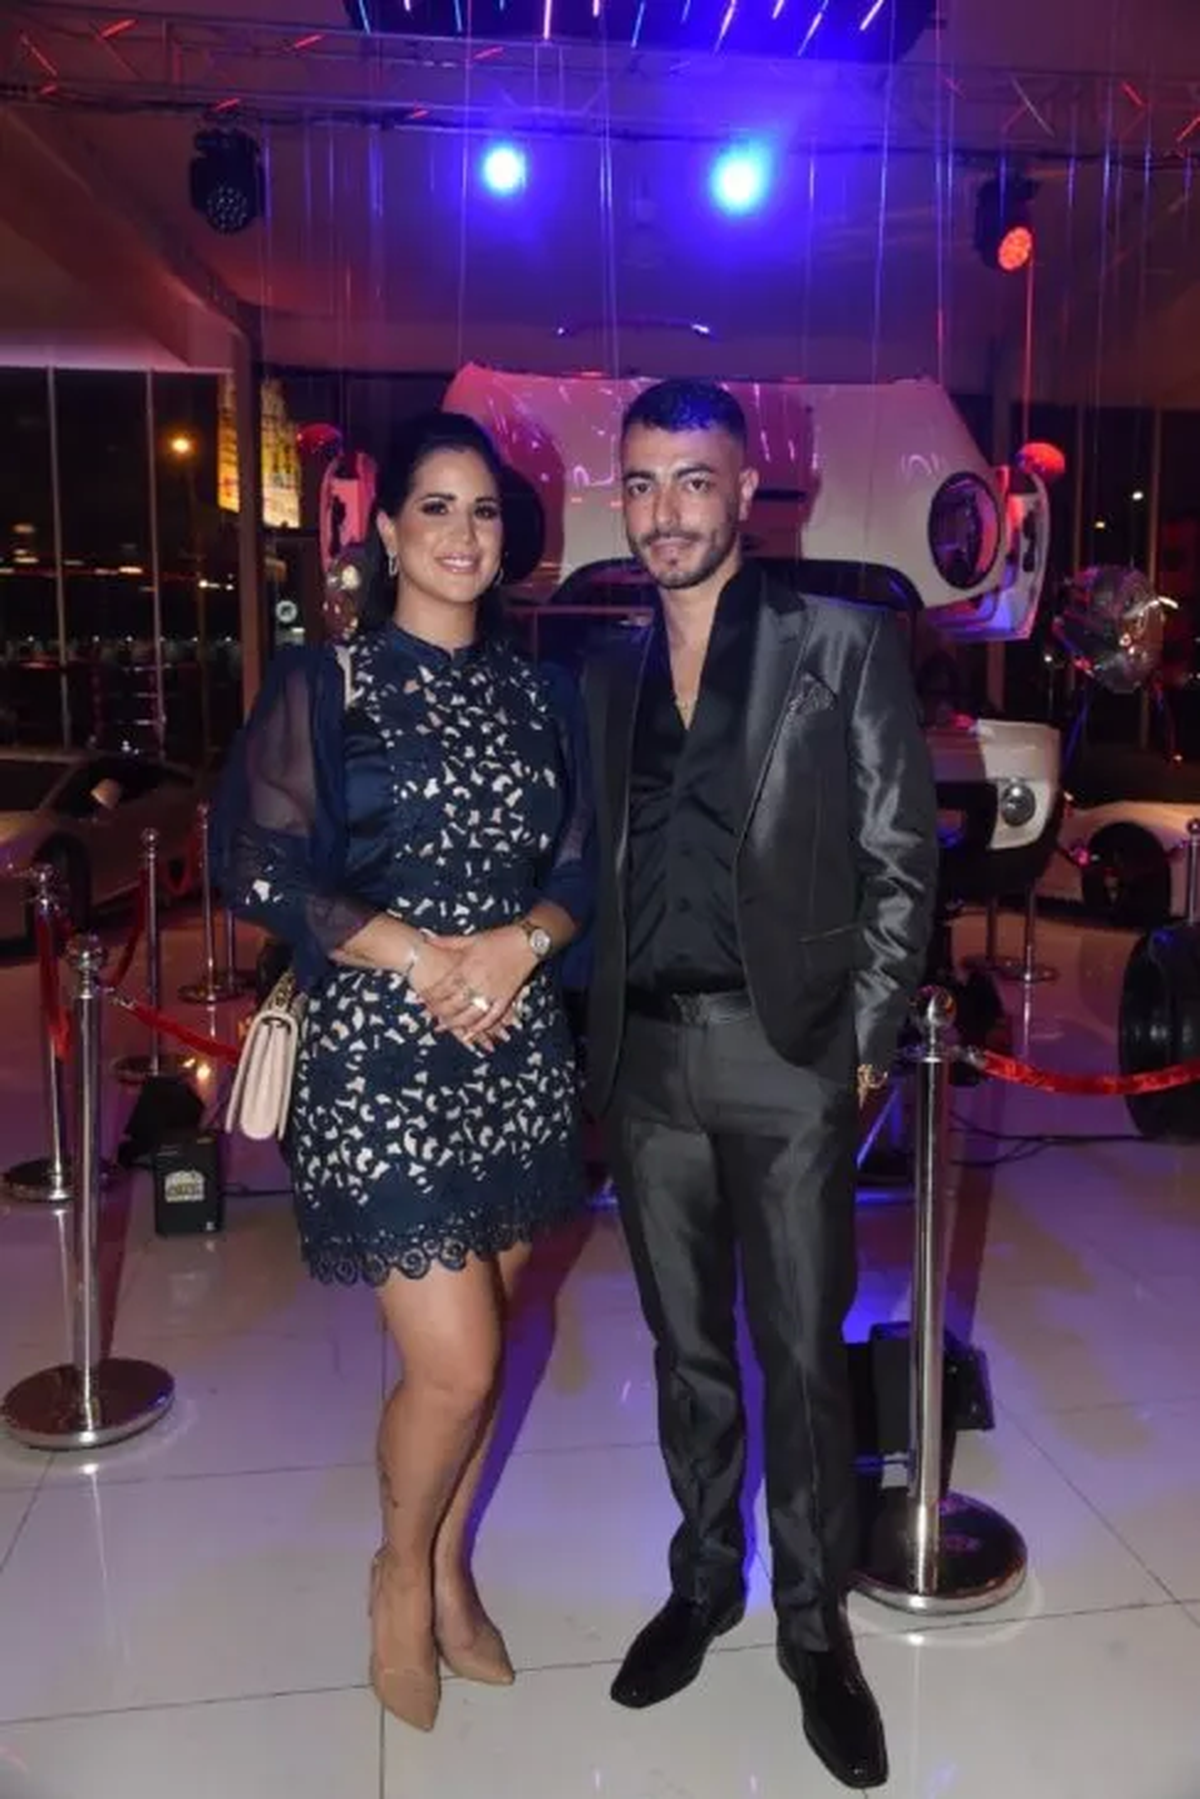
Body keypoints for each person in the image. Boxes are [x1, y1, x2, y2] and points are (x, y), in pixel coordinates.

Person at [582, 379, 938, 1789]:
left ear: (748, 491)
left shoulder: (839, 644)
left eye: (693, 481)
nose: (665, 509)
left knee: (802, 1359)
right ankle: (701, 1581)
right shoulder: (605, 673)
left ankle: (812, 1627)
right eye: (643, 483)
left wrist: (856, 1043)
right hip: (648, 1061)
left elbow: (904, 862)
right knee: (687, 1354)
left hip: (789, 1056)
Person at [214, 411, 593, 1734]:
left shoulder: (544, 694)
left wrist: (518, 941)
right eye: (435, 507)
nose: (461, 534)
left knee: (484, 1345)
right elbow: (259, 865)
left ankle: (444, 1563)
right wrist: (429, 959)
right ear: (386, 532)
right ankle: (395, 1577)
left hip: (515, 1049)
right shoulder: (326, 683)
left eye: (484, 511)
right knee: (459, 1365)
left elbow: (580, 871)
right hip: (380, 1051)